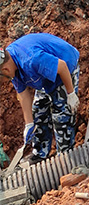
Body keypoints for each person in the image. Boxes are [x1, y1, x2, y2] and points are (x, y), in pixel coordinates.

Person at [0, 33, 80, 162]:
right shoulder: (12, 65)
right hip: (43, 77)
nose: (3, 82)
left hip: (65, 69)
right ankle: (39, 154)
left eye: (1, 79)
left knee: (61, 115)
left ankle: (65, 156)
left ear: (5, 70)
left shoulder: (31, 59)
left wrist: (71, 94)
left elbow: (62, 66)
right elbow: (23, 95)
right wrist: (29, 123)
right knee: (38, 112)